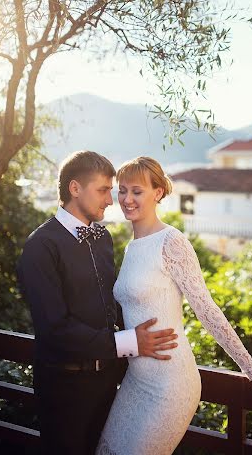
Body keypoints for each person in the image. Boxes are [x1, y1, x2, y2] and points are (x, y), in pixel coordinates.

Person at [97, 156, 252, 455]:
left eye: (136, 191)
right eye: (122, 190)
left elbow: (207, 310)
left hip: (170, 385)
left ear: (158, 193)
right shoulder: (131, 246)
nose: (126, 199)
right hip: (135, 380)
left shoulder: (171, 242)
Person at [17, 151, 178, 455]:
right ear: (75, 188)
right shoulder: (40, 246)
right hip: (65, 388)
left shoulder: (102, 237)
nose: (110, 200)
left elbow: (114, 303)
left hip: (109, 383)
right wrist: (131, 341)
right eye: (104, 190)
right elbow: (54, 328)